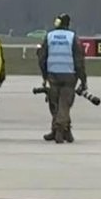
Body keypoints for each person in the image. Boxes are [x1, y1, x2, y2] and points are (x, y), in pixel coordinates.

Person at [36, 14, 88, 143]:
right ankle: (62, 130)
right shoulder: (72, 37)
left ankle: (59, 130)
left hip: (53, 75)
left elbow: (42, 57)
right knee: (64, 104)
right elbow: (79, 60)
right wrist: (83, 79)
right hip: (69, 75)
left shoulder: (49, 36)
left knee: (54, 104)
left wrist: (44, 75)